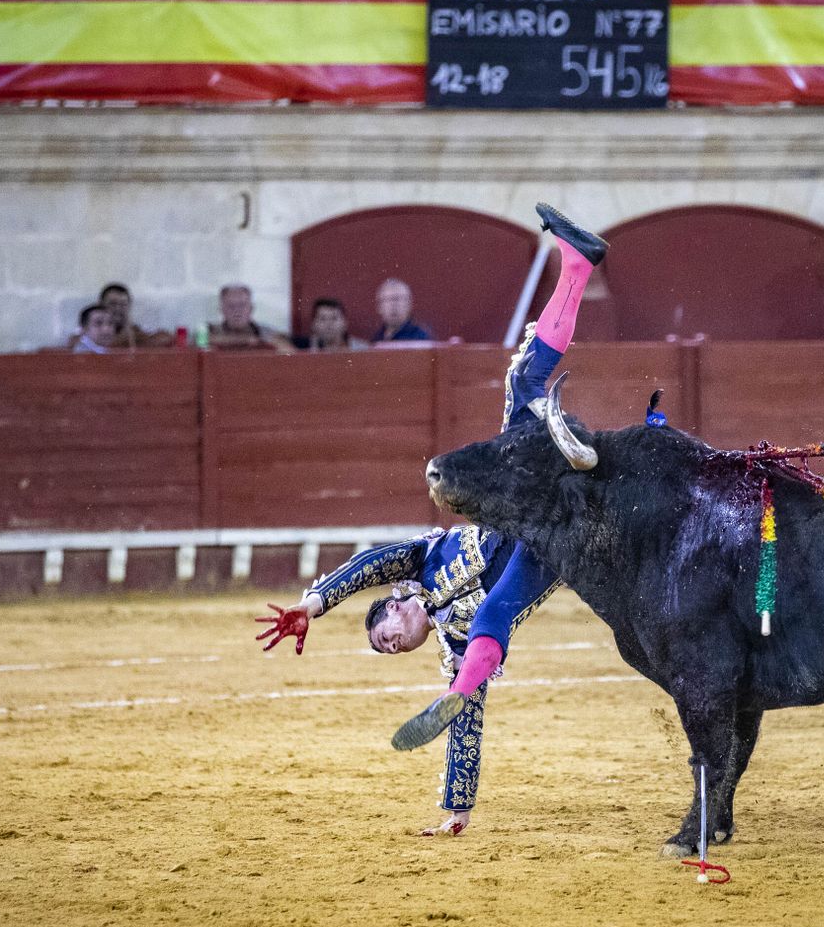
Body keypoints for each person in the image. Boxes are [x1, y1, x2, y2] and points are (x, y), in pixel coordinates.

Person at [255, 203, 607, 836]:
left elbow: (366, 565)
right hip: (542, 555)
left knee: (523, 376)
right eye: (391, 651)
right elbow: (466, 736)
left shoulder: (421, 557)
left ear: (397, 602)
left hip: (517, 505)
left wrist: (312, 605)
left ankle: (576, 266)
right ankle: (462, 686)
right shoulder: (449, 645)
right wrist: (458, 810)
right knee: (488, 634)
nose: (393, 643)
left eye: (384, 632)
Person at [209, 283, 292, 352]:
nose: (237, 311)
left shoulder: (266, 333)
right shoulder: (210, 331)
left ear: (251, 308)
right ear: (221, 309)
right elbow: (200, 343)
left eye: (242, 305)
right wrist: (245, 340)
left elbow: (291, 353)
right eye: (231, 306)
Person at [99, 283, 173, 350]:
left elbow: (164, 339)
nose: (118, 308)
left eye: (123, 304)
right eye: (112, 304)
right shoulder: (93, 332)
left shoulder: (136, 332)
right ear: (100, 305)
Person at [370, 278, 435, 343]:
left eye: (397, 299)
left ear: (409, 304)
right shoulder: (377, 338)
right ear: (379, 306)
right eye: (388, 300)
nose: (393, 305)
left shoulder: (420, 337)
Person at [294, 298, 368, 352]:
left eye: (334, 318)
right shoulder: (304, 346)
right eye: (323, 319)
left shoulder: (362, 349)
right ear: (313, 324)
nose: (328, 323)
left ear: (345, 323)